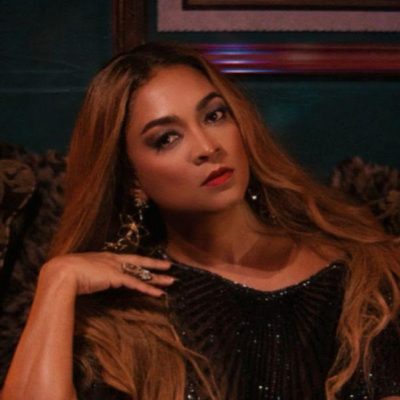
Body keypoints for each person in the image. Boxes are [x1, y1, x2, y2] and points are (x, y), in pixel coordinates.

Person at [1, 42, 400, 400]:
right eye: (167, 138)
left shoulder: (363, 277)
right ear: (133, 179)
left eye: (214, 115)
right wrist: (56, 280)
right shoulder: (124, 318)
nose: (208, 147)